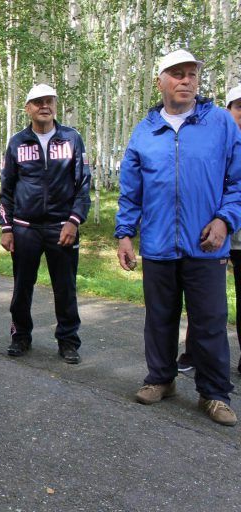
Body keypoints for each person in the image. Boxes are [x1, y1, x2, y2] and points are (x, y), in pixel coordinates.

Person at [116, 50, 241, 426]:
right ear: (160, 82)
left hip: (206, 245)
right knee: (159, 319)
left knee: (209, 322)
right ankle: (160, 379)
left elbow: (236, 182)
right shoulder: (145, 130)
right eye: (176, 74)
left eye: (191, 74)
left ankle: (215, 394)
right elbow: (130, 190)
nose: (186, 80)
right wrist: (125, 233)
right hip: (157, 244)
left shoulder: (220, 123)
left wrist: (224, 220)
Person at [0, 83, 91, 364]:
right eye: (38, 102)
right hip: (25, 227)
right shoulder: (17, 142)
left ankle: (68, 341)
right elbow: (7, 188)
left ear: (55, 105)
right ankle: (21, 335)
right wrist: (6, 228)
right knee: (22, 286)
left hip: (62, 227)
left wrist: (74, 222)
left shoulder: (71, 139)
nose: (44, 106)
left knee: (65, 286)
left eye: (49, 101)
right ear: (28, 108)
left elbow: (83, 184)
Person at [177, 84, 241, 374]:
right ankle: (193, 353)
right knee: (206, 302)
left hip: (231, 227)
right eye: (238, 106)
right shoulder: (216, 138)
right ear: (228, 110)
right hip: (215, 233)